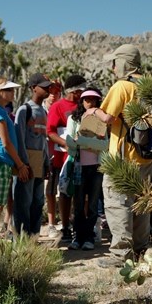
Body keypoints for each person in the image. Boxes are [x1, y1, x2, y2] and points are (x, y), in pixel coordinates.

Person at [96, 44, 152, 268]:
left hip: (123, 157)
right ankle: (140, 249)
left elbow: (109, 118)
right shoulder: (150, 86)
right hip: (146, 157)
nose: (112, 68)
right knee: (141, 205)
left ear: (123, 63)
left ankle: (121, 256)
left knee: (118, 204)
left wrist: (94, 112)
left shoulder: (122, 86)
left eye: (114, 63)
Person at [65, 88, 109, 250]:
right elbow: (69, 143)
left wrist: (82, 142)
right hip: (78, 167)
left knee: (92, 205)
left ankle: (89, 236)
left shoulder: (101, 120)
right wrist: (90, 144)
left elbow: (105, 145)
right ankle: (78, 237)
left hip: (96, 168)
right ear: (81, 101)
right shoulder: (74, 119)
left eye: (93, 99)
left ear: (98, 102)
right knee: (77, 204)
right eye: (87, 99)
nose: (90, 102)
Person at [46, 74, 86, 242]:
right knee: (64, 192)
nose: (82, 95)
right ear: (74, 91)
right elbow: (50, 131)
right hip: (62, 157)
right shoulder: (57, 106)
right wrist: (65, 143)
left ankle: (80, 225)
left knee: (81, 192)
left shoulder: (84, 106)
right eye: (80, 91)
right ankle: (65, 226)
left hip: (83, 155)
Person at [0, 77, 29, 227]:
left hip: (1, 162)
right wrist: (20, 164)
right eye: (8, 90)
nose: (13, 93)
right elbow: (6, 142)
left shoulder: (0, 111)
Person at [12, 73, 51, 237]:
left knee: (37, 201)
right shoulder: (24, 110)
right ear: (33, 88)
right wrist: (23, 163)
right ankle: (20, 239)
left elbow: (44, 139)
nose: (48, 89)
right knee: (23, 202)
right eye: (43, 86)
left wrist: (46, 161)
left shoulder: (44, 111)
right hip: (27, 162)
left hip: (39, 162)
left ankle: (34, 236)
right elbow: (19, 137)